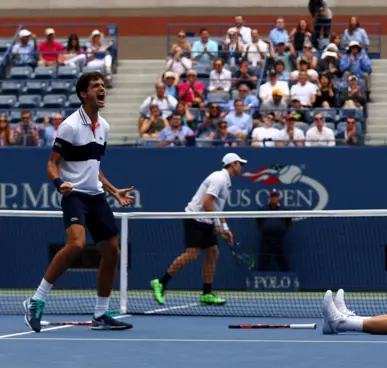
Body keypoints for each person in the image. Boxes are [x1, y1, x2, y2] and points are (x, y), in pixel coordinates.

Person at [23, 72, 135, 332]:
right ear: (84, 94)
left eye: (103, 85)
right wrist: (58, 184)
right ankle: (37, 300)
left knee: (112, 252)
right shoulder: (70, 126)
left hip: (96, 196)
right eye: (95, 86)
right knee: (76, 244)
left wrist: (113, 190)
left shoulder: (104, 127)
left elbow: (92, 166)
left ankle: (100, 314)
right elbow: (52, 163)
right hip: (73, 195)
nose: (101, 89)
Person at [151, 153, 247, 306]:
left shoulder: (226, 182)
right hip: (195, 218)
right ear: (232, 164)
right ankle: (161, 282)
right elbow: (207, 203)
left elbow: (216, 208)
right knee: (192, 254)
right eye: (239, 163)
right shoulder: (218, 178)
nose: (241, 167)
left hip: (206, 220)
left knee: (213, 252)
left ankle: (206, 294)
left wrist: (225, 227)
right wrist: (218, 225)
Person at [256, 190, 292, 272]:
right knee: (264, 259)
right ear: (269, 198)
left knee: (281, 259)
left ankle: (286, 275)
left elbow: (289, 223)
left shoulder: (285, 210)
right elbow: (258, 223)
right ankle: (261, 277)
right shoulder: (263, 209)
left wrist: (280, 230)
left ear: (279, 198)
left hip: (279, 240)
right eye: (272, 196)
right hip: (266, 239)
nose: (274, 198)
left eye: (276, 196)